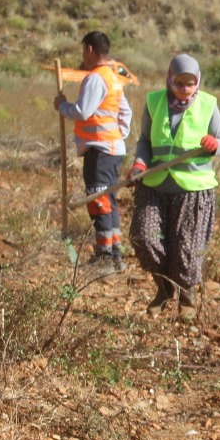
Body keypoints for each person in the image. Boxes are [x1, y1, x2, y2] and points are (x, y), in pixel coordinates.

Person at [127, 53, 220, 317]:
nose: (184, 89)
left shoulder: (208, 104)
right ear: (169, 79)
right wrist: (139, 164)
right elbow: (145, 142)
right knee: (143, 237)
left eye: (190, 84)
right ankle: (163, 288)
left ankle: (186, 296)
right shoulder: (154, 102)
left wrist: (214, 145)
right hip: (155, 185)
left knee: (186, 247)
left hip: (193, 190)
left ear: (198, 82)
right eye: (179, 83)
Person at [54, 30, 133, 273]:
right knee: (107, 199)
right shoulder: (113, 78)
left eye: (83, 50)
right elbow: (126, 113)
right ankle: (115, 253)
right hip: (112, 148)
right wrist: (119, 135)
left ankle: (105, 256)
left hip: (99, 150)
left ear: (90, 49)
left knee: (99, 200)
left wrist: (62, 106)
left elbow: (82, 111)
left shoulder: (96, 78)